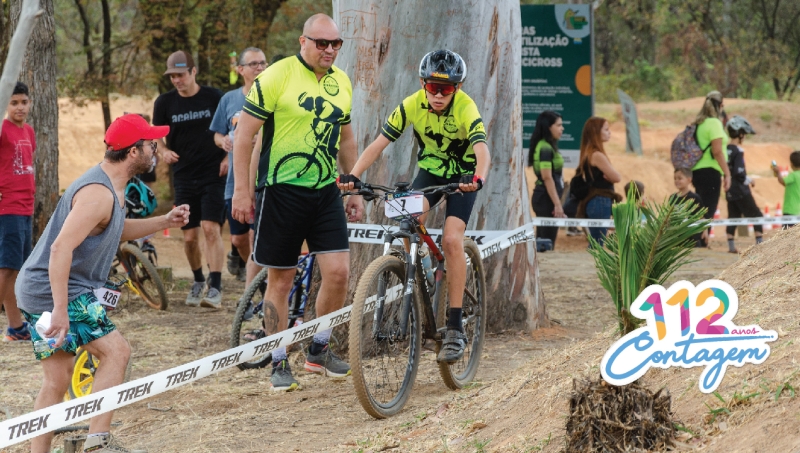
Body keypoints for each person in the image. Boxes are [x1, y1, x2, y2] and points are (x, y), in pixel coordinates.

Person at [15, 114, 190, 453]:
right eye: (150, 144)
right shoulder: (98, 192)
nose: (156, 149)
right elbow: (60, 247)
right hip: (54, 290)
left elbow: (114, 230)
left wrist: (164, 221)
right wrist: (61, 308)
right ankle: (98, 442)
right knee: (117, 351)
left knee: (57, 379)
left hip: (41, 289)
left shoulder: (113, 188)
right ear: (132, 151)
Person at [231, 13, 363, 392]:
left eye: (336, 44)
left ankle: (319, 348)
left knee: (338, 273)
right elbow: (244, 138)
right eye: (321, 43)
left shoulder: (341, 81)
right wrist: (243, 191)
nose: (329, 50)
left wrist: (351, 186)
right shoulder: (276, 76)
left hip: (326, 190)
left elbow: (347, 139)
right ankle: (277, 357)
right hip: (281, 189)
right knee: (281, 279)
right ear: (302, 42)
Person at [338, 49, 489, 363]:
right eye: (432, 87)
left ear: (457, 88)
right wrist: (354, 175)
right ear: (423, 83)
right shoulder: (411, 104)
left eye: (445, 89)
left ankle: (455, 327)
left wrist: (478, 177)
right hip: (431, 172)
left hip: (462, 177)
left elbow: (481, 149)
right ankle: (414, 269)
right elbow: (379, 143)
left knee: (451, 240)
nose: (437, 94)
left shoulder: (465, 107)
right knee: (407, 214)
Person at [153, 50, 226, 308]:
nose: (176, 80)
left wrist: (227, 158)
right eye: (172, 76)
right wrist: (163, 151)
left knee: (210, 228)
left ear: (193, 72)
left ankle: (215, 287)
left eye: (180, 75)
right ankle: (198, 280)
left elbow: (230, 130)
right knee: (190, 237)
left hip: (214, 173)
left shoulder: (214, 98)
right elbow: (156, 138)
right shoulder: (164, 103)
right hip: (183, 177)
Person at [210, 47, 267, 286]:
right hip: (236, 181)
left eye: (263, 63)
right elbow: (217, 133)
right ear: (240, 69)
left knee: (256, 238)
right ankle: (255, 276)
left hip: (262, 179)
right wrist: (222, 141)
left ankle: (255, 291)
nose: (260, 68)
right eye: (254, 64)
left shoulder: (272, 96)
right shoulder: (229, 99)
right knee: (238, 239)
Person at [1, 82, 35, 342]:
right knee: (6, 268)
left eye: (23, 101)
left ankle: (15, 327)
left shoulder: (29, 132)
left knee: (16, 270)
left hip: (26, 207)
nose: (20, 107)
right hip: (7, 207)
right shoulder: (3, 130)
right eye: (14, 103)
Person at [691, 91, 732, 246]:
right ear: (720, 106)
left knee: (700, 207)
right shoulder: (714, 123)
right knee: (708, 208)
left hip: (697, 170)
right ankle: (700, 241)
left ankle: (699, 240)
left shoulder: (699, 123)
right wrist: (727, 174)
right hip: (711, 171)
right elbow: (717, 151)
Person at [575, 117, 621, 246]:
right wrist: (610, 174)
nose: (609, 132)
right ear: (596, 132)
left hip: (596, 201)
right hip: (600, 200)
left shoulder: (588, 153)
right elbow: (616, 177)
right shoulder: (596, 155)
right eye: (606, 129)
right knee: (597, 242)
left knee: (597, 240)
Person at [725, 115, 763, 253]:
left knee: (733, 217)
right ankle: (760, 246)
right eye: (744, 134)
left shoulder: (725, 149)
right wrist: (749, 180)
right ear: (740, 134)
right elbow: (739, 172)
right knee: (757, 215)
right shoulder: (738, 151)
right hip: (741, 190)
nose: (744, 137)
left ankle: (731, 247)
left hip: (729, 190)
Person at [528, 111, 565, 248]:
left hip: (547, 198)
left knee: (547, 241)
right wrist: (557, 204)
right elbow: (547, 177)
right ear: (548, 127)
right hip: (545, 199)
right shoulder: (544, 147)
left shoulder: (548, 146)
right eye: (559, 125)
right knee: (545, 243)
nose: (562, 128)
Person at [670, 167, 706, 247]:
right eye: (675, 178)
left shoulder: (694, 197)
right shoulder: (672, 198)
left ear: (689, 180)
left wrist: (705, 230)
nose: (677, 181)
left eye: (680, 178)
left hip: (693, 237)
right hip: (676, 237)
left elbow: (701, 216)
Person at [772, 150, 800, 229]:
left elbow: (782, 181)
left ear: (791, 164)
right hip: (798, 210)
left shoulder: (793, 175)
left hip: (790, 209)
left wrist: (778, 173)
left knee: (785, 234)